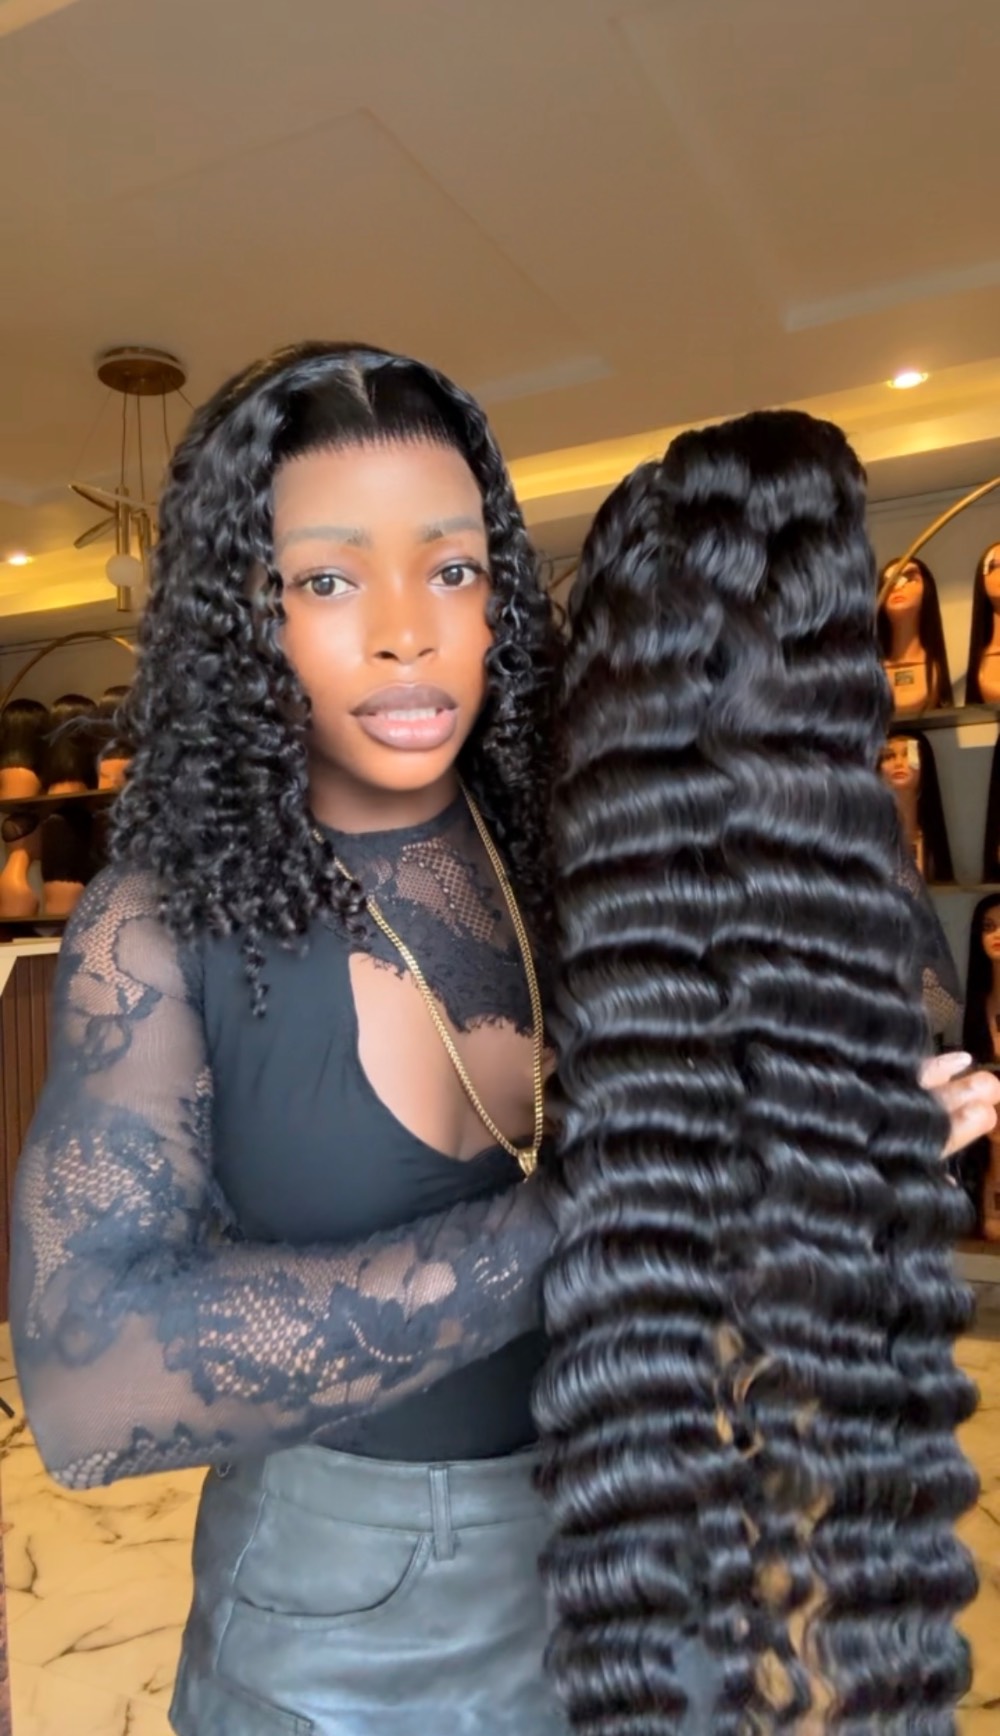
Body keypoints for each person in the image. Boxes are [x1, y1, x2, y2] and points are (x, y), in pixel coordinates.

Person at [9, 343, 998, 1736]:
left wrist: (827, 1154)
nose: (407, 633)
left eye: (455, 569)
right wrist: (606, 1207)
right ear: (244, 615)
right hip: (342, 1634)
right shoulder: (164, 922)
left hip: (638, 1547)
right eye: (329, 579)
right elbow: (88, 1383)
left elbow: (726, 1198)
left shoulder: (580, 840)